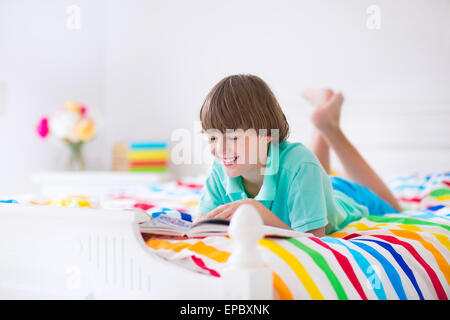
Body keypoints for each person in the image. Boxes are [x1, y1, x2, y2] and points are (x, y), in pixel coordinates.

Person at [196, 74, 401, 236]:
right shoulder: (219, 170)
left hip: (348, 198)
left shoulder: (300, 164)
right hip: (310, 186)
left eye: (233, 137)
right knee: (311, 171)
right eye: (212, 138)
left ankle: (327, 126)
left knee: (395, 208)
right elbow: (203, 223)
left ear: (266, 134)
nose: (220, 149)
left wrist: (258, 212)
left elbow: (314, 240)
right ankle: (323, 113)